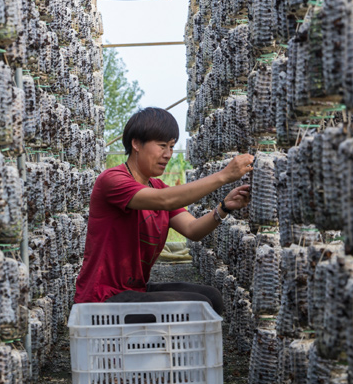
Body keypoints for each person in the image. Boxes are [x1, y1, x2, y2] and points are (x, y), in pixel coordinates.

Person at [73, 107, 254, 315]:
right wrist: (224, 176)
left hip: (134, 291)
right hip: (103, 298)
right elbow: (165, 201)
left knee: (211, 297)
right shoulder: (112, 180)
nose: (168, 155)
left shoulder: (158, 187)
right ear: (136, 144)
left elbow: (193, 230)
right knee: (196, 306)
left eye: (171, 146)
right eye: (161, 146)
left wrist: (223, 208)